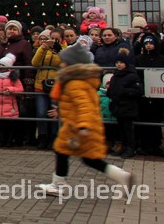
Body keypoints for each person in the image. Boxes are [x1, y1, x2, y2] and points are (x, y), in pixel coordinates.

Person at [37, 43, 135, 197]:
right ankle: (122, 176)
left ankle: (59, 185)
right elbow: (75, 104)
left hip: (78, 128)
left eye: (64, 62)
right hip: (79, 127)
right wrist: (61, 110)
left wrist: (83, 126)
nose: (61, 64)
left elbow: (84, 106)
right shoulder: (79, 81)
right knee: (88, 159)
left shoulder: (75, 83)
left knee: (65, 152)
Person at [106, 49, 143, 159]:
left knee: (128, 128)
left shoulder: (132, 76)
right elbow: (111, 90)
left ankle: (131, 148)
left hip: (128, 106)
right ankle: (123, 146)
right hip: (118, 106)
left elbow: (138, 91)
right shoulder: (115, 76)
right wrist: (110, 92)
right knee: (121, 128)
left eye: (121, 62)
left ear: (126, 63)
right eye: (117, 63)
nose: (119, 65)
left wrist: (123, 91)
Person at [32, 29, 63, 149]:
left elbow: (66, 63)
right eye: (52, 39)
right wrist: (43, 48)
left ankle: (54, 137)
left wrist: (60, 50)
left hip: (56, 85)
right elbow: (35, 63)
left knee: (53, 113)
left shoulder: (64, 49)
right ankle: (43, 136)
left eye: (57, 39)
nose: (54, 41)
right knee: (41, 112)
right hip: (41, 84)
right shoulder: (44, 48)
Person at [0, 54, 24, 147]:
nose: (0, 67)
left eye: (3, 65)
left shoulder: (13, 77)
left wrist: (10, 90)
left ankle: (9, 140)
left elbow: (20, 89)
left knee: (9, 125)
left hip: (10, 105)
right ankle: (0, 140)